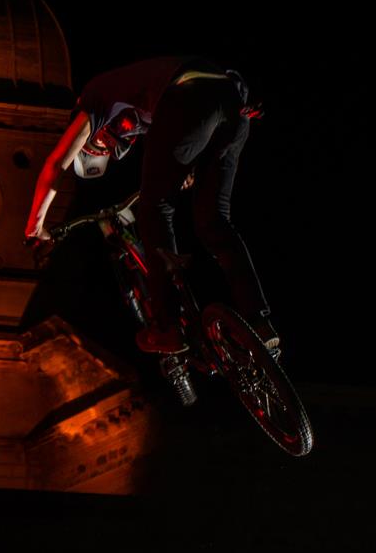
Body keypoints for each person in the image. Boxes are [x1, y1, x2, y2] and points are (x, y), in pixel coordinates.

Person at [24, 55, 279, 355]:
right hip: (230, 106)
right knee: (214, 222)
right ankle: (259, 321)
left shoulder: (94, 100)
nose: (109, 147)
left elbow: (56, 164)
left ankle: (168, 325)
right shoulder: (138, 105)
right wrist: (189, 167)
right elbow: (192, 126)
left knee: (154, 210)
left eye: (100, 146)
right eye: (107, 151)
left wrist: (35, 228)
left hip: (190, 95)